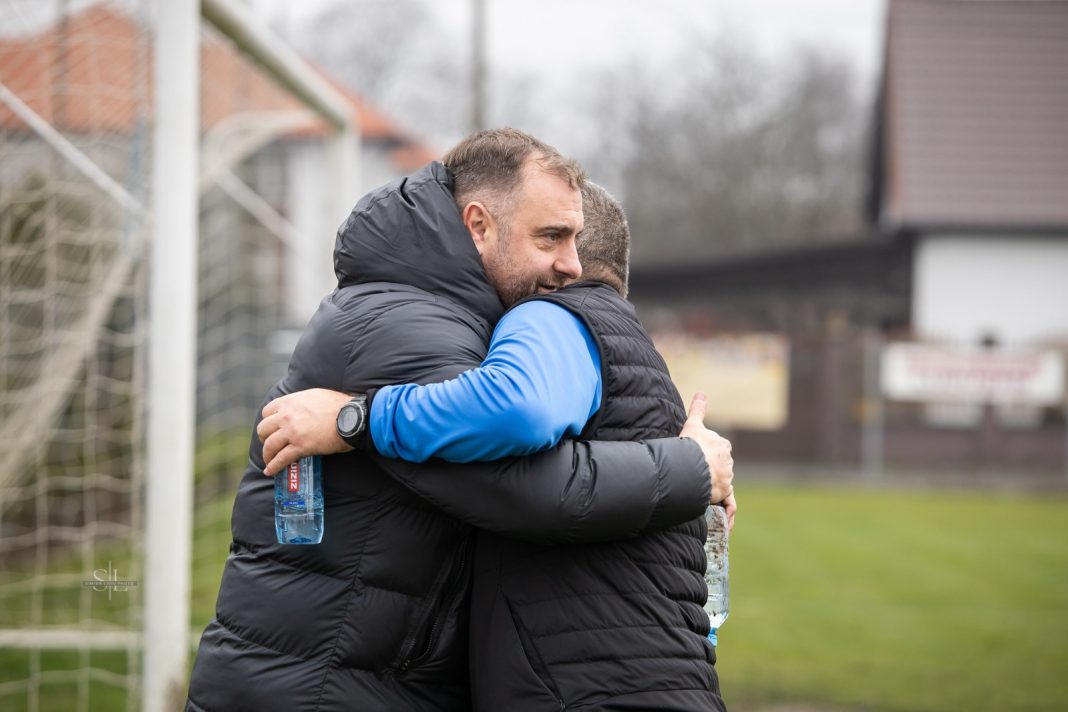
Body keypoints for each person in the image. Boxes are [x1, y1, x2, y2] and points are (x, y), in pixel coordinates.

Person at [185, 129, 733, 712]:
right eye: (551, 237)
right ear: (478, 225)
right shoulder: (408, 325)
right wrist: (690, 467)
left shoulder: (441, 314)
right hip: (317, 689)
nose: (572, 265)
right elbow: (532, 489)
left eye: (575, 239)